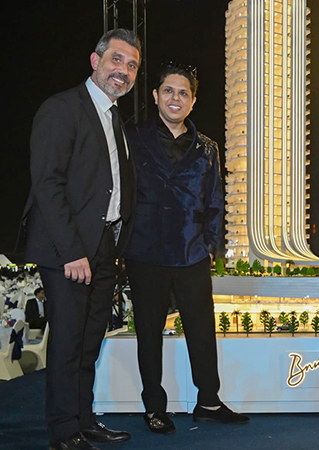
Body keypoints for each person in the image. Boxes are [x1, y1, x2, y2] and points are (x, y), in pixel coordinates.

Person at [19, 29, 140, 450]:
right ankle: (63, 430)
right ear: (95, 60)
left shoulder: (115, 119)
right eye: (116, 60)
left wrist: (115, 247)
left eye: (131, 65)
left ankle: (84, 420)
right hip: (67, 250)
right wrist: (72, 251)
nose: (123, 71)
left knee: (90, 343)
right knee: (68, 343)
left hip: (104, 248)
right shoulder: (62, 108)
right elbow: (48, 185)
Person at [124, 62, 249, 434]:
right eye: (168, 90)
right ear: (155, 96)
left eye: (183, 93)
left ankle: (209, 401)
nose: (175, 98)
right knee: (149, 334)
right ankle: (154, 407)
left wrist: (210, 245)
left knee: (202, 331)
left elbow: (215, 202)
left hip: (192, 252)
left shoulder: (208, 148)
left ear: (193, 101)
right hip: (145, 252)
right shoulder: (132, 138)